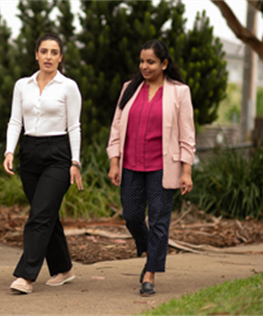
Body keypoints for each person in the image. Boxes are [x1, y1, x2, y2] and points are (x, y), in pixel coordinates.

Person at [107, 39, 195, 296]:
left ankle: (150, 274)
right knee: (132, 216)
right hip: (131, 166)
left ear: (164, 64)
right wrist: (114, 161)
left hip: (162, 167)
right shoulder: (129, 89)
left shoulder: (179, 92)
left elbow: (187, 134)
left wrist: (186, 171)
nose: (144, 66)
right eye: (142, 61)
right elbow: (116, 127)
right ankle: (149, 249)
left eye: (151, 62)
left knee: (159, 221)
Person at [3, 33, 84, 294]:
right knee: (45, 213)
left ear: (60, 57)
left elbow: (74, 125)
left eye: (54, 52)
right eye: (44, 51)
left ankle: (26, 276)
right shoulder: (22, 85)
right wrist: (9, 151)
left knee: (38, 215)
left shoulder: (68, 87)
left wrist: (75, 161)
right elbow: (15, 121)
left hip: (58, 155)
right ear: (36, 55)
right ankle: (64, 268)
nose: (48, 56)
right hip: (29, 152)